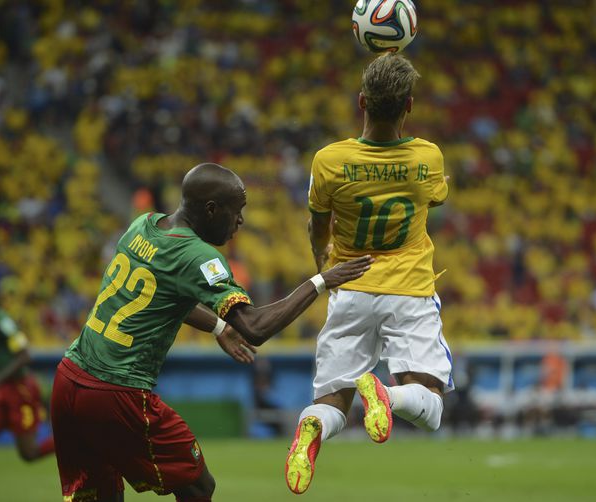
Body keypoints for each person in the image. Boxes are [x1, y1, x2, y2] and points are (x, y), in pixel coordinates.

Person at [50, 163, 373, 502]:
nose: (241, 221)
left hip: (69, 380)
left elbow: (162, 295)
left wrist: (219, 325)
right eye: (237, 211)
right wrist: (321, 281)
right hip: (117, 392)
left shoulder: (141, 226)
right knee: (199, 486)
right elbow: (255, 327)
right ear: (211, 209)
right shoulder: (198, 255)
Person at [285, 52, 454, 494]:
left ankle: (311, 432)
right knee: (432, 408)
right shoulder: (427, 158)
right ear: (409, 106)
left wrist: (322, 261)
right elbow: (434, 200)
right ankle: (387, 395)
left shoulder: (329, 160)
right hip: (410, 290)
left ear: (361, 101)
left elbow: (317, 223)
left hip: (350, 286)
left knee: (331, 403)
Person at [0, 280, 55, 501]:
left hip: (20, 390)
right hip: (3, 390)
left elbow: (25, 354)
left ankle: (73, 438)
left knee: (29, 454)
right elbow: (3, 358)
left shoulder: (3, 322)